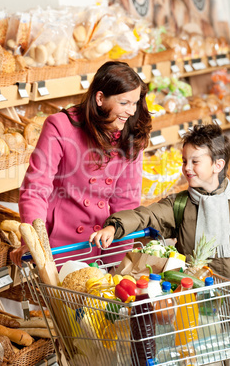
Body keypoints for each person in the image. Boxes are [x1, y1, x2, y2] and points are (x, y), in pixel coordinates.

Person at [10, 61, 152, 267]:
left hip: (100, 245)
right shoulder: (60, 126)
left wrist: (116, 266)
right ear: (100, 98)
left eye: (135, 103)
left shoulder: (131, 134)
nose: (131, 111)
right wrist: (34, 242)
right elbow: (36, 188)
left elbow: (126, 203)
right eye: (124, 103)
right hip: (57, 246)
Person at [89, 123, 230, 278]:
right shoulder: (180, 204)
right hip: (192, 294)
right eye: (184, 161)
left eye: (195, 162)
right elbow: (146, 215)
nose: (187, 168)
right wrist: (114, 226)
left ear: (218, 165)